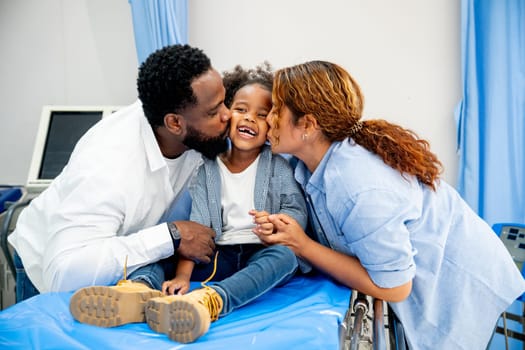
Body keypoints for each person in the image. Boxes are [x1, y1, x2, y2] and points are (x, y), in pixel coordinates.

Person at [253, 60, 525, 349]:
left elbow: (395, 287)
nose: (267, 119)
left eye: (275, 110)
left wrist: (302, 245)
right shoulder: (315, 160)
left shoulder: (356, 184)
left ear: (307, 125)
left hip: (464, 284)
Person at [8, 45, 230, 308]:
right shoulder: (109, 165)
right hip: (46, 270)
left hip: (124, 258)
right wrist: (172, 236)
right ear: (174, 123)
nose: (228, 115)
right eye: (214, 112)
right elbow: (63, 273)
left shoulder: (187, 120)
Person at [145, 64, 308, 343]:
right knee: (157, 251)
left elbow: (296, 210)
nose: (250, 119)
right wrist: (183, 277)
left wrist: (276, 224)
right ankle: (139, 292)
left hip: (258, 252)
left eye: (261, 114)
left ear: (273, 123)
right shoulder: (207, 168)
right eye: (241, 109)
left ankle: (213, 300)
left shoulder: (278, 166)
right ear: (225, 115)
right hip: (215, 255)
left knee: (286, 258)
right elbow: (196, 230)